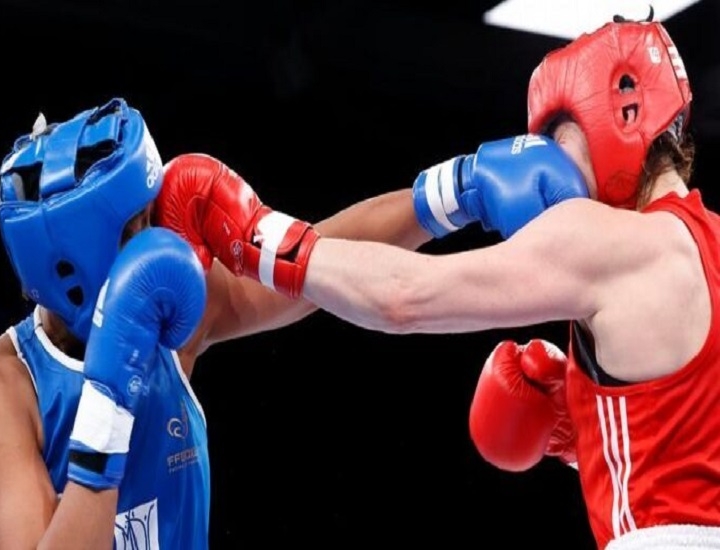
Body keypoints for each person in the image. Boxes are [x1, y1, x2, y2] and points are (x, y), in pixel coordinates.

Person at [169, 16, 720, 550]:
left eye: (557, 138)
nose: (551, 166)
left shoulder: (604, 238)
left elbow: (403, 296)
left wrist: (259, 236)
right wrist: (588, 439)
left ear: (621, 114)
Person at [0, 88, 589, 548]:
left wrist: (456, 192)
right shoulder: (0, 394)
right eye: (139, 223)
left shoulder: (169, 315)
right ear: (77, 262)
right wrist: (108, 402)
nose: (162, 236)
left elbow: (312, 272)